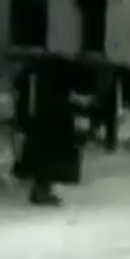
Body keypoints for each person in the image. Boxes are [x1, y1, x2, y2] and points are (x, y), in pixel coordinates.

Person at [12, 54, 82, 206]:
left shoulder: (37, 70)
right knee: (47, 149)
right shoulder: (54, 70)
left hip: (44, 111)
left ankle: (41, 186)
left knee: (42, 148)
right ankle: (41, 188)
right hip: (49, 112)